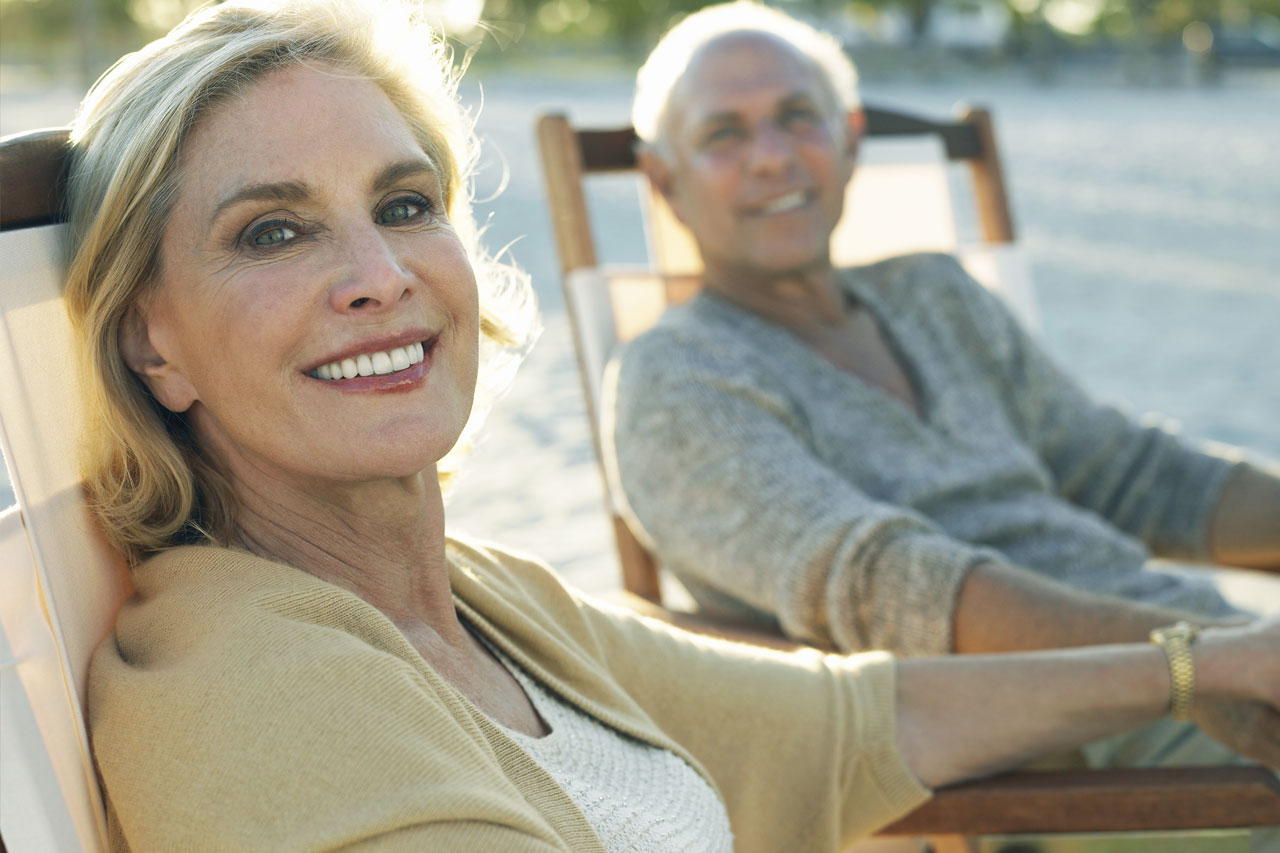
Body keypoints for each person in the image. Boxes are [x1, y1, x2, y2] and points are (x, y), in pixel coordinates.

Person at [65, 0, 1278, 850]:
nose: (379, 273)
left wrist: (1199, 661)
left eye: (405, 203)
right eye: (272, 231)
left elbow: (851, 716)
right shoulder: (255, 697)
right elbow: (891, 594)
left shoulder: (487, 603)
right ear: (149, 339)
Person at [606, 1, 1280, 779]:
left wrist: (1223, 653)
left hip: (1204, 660)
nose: (770, 158)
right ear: (663, 179)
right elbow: (897, 592)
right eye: (724, 133)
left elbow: (1131, 473)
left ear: (851, 141)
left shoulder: (934, 293)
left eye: (799, 118)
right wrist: (1196, 662)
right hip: (1044, 738)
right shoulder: (679, 379)